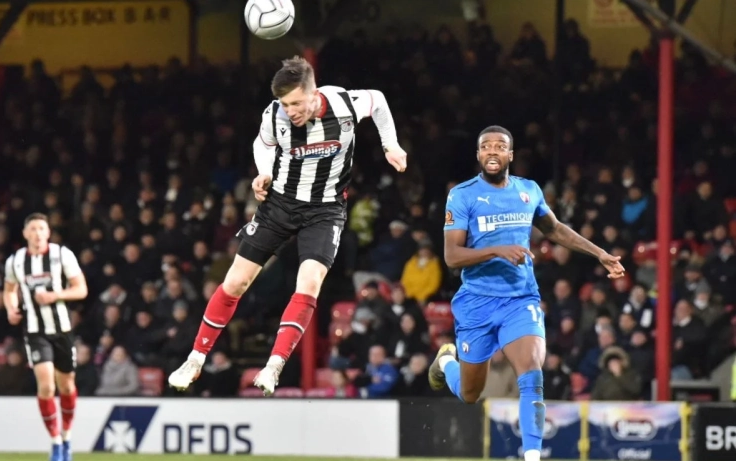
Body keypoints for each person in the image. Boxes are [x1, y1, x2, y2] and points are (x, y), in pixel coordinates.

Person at [168, 56, 408, 396]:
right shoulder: (274, 115)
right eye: (285, 103)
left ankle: (274, 365)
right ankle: (195, 358)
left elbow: (379, 101)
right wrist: (263, 171)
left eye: (296, 103)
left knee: (309, 282)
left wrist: (391, 144)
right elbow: (262, 143)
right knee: (235, 282)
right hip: (279, 204)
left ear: (313, 94)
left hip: (324, 210)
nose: (290, 110)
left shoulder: (344, 104)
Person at [428, 126, 625, 461]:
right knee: (471, 393)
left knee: (532, 372)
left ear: (510, 155)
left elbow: (556, 229)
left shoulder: (528, 191)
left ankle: (532, 455)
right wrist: (497, 250)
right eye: (486, 147)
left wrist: (599, 253)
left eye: (500, 147)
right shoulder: (462, 195)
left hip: (520, 299)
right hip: (477, 302)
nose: (493, 151)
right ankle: (447, 362)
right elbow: (452, 257)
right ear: (478, 155)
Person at [4, 213, 88, 461]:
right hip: (34, 330)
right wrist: (10, 308)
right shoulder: (16, 261)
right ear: (25, 233)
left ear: (48, 232)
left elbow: (81, 289)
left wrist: (55, 296)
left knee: (66, 385)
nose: (37, 233)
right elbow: (9, 290)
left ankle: (67, 435)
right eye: (33, 229)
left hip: (61, 330)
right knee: (46, 384)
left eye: (42, 228)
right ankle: (55, 443)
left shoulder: (62, 255)